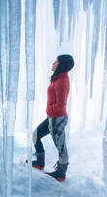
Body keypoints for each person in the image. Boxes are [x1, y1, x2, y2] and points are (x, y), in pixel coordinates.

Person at [27, 54, 74, 182]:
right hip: (53, 117)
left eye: (56, 62)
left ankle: (60, 173)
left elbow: (60, 105)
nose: (52, 63)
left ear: (61, 65)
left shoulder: (62, 82)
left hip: (57, 119)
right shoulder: (59, 78)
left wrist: (49, 109)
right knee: (35, 135)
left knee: (61, 147)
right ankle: (39, 162)